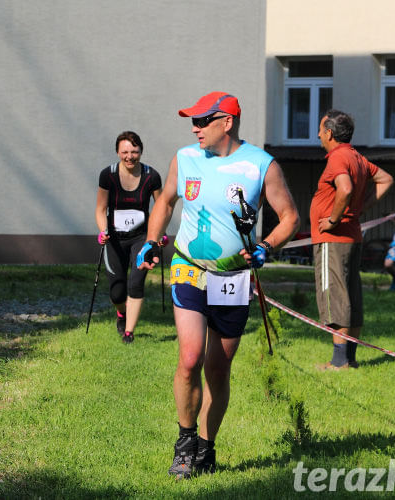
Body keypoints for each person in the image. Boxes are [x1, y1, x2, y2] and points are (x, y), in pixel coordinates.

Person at [138, 92, 299, 479]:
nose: (194, 128)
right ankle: (185, 443)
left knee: (217, 368)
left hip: (233, 277)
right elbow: (166, 202)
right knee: (190, 358)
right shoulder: (185, 158)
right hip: (189, 267)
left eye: (202, 121)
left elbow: (290, 217)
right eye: (192, 122)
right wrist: (152, 239)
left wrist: (266, 247)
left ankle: (207, 448)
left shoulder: (262, 165)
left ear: (226, 122)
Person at [310, 110, 393, 371]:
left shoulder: (338, 157)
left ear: (330, 133)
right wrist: (361, 209)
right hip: (352, 237)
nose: (319, 135)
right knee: (351, 295)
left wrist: (334, 219)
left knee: (336, 296)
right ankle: (350, 358)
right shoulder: (356, 157)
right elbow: (385, 179)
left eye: (321, 130)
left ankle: (339, 362)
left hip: (332, 238)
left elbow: (344, 189)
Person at [95, 131, 162, 343]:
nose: (129, 156)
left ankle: (129, 332)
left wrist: (159, 234)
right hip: (115, 238)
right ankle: (121, 313)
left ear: (141, 151)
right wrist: (103, 230)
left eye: (134, 151)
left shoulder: (152, 176)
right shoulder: (108, 175)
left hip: (141, 237)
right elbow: (100, 208)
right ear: (117, 152)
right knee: (117, 292)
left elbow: (161, 208)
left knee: (136, 283)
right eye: (125, 152)